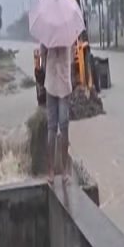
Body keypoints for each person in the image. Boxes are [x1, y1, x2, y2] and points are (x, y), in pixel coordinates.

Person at [41, 42, 73, 182]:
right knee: (63, 127)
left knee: (52, 128)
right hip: (63, 83)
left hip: (52, 82)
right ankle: (65, 171)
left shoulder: (47, 37)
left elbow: (42, 58)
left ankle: (51, 172)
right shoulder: (68, 35)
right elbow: (71, 58)